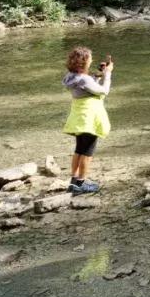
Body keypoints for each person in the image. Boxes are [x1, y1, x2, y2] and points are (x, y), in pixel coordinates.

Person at [61, 47, 113, 195]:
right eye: (89, 58)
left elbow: (87, 87)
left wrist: (97, 76)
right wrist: (107, 74)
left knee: (79, 149)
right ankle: (81, 184)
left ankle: (74, 181)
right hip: (89, 117)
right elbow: (104, 91)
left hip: (78, 116)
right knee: (88, 152)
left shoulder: (70, 76)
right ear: (83, 61)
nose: (91, 59)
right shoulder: (84, 79)